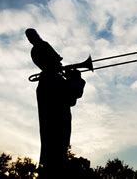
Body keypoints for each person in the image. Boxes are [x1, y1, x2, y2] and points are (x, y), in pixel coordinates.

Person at [25, 28, 86, 178]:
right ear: (49, 61)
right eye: (56, 59)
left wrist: (72, 79)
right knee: (57, 161)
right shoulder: (51, 80)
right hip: (57, 131)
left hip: (55, 133)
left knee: (57, 156)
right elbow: (72, 96)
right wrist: (76, 79)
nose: (60, 62)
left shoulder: (47, 80)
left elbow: (70, 99)